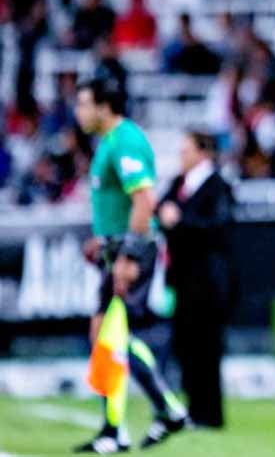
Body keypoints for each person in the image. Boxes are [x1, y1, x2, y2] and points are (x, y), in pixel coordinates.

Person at [73, 75, 188, 453]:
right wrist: (104, 241)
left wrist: (128, 256)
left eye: (84, 103)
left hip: (131, 253)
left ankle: (154, 413)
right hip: (115, 249)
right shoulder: (110, 142)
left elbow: (144, 200)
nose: (79, 111)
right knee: (103, 335)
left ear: (105, 106)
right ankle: (121, 425)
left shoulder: (125, 142)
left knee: (114, 337)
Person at [158, 130, 236, 429]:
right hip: (182, 277)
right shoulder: (179, 184)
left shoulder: (218, 186)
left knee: (207, 347)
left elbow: (218, 227)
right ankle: (193, 408)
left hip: (209, 280)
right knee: (185, 345)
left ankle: (211, 414)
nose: (182, 156)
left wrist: (180, 222)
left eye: (187, 150)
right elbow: (162, 210)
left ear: (204, 153)